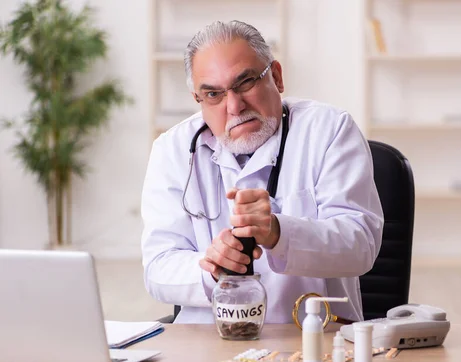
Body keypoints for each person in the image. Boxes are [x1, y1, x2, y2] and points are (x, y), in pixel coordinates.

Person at [140, 20, 384, 324]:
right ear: (199, 100)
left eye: (245, 83)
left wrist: (278, 232)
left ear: (277, 77)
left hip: (311, 339)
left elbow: (360, 245)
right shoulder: (173, 149)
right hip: (208, 345)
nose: (234, 106)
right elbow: (158, 268)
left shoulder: (329, 130)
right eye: (214, 94)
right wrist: (211, 267)